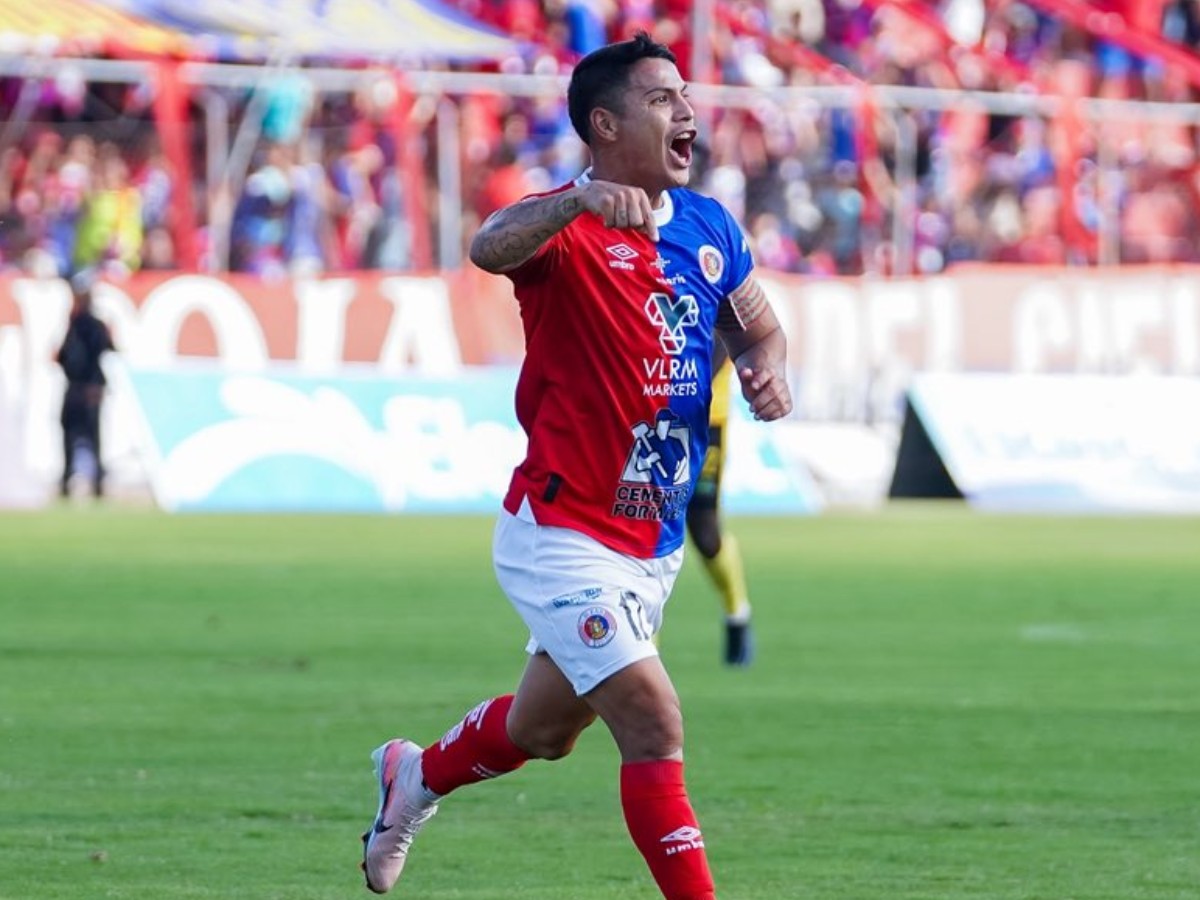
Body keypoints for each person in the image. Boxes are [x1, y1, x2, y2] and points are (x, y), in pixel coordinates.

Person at [360, 33, 792, 899]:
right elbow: (490, 244)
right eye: (663, 98)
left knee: (544, 731)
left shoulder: (709, 227)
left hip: (649, 543)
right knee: (653, 720)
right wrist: (580, 204)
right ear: (604, 124)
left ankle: (414, 776)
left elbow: (758, 325)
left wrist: (767, 365)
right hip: (562, 533)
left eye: (684, 96)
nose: (687, 112)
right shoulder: (565, 226)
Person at [686, 343, 756, 666]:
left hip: (707, 418)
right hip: (647, 414)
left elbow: (726, 335)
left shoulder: (713, 290)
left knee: (705, 533)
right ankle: (642, 648)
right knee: (645, 523)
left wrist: (683, 387)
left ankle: (737, 612)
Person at [56, 270, 114, 499]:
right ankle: (90, 482)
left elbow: (68, 357)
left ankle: (88, 481)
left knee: (80, 436)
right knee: (83, 436)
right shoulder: (86, 324)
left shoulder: (84, 325)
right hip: (86, 388)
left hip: (83, 388)